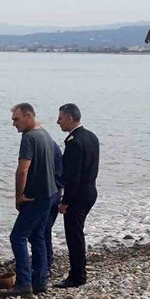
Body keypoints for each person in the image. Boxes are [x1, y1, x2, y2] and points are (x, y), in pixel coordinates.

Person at [1, 103, 60, 298]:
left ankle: (24, 283)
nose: (14, 124)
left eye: (16, 119)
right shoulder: (45, 134)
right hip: (50, 194)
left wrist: (19, 196)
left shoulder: (29, 137)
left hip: (36, 196)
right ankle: (39, 281)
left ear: (29, 116)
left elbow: (22, 169)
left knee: (17, 237)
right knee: (38, 236)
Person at [55, 103, 100, 288]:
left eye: (60, 118)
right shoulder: (91, 136)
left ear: (70, 118)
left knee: (74, 235)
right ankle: (78, 272)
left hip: (79, 194)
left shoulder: (74, 142)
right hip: (90, 190)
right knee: (77, 232)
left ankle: (77, 276)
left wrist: (65, 202)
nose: (58, 122)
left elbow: (74, 176)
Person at [45, 141, 64, 275]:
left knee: (42, 230)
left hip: (49, 193)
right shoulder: (51, 144)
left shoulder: (39, 144)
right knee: (46, 229)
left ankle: (45, 264)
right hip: (56, 191)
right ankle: (47, 261)